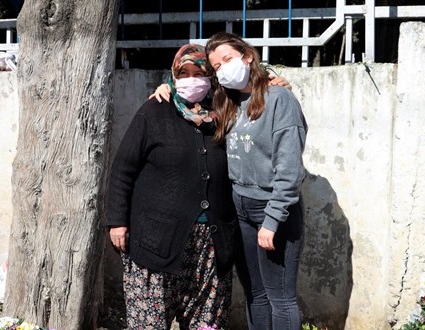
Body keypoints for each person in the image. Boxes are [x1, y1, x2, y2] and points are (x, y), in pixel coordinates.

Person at [106, 44, 236, 329]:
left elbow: (257, 88)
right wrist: (117, 221)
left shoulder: (225, 112)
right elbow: (123, 169)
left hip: (212, 246)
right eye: (184, 73)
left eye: (198, 72)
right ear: (173, 76)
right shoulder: (155, 110)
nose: (191, 79)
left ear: (211, 76)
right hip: (156, 241)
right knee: (149, 324)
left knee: (207, 324)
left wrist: (274, 79)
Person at [206, 31, 307, 330]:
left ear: (247, 56)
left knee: (280, 297)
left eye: (228, 59)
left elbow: (289, 169)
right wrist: (166, 87)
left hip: (273, 210)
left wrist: (273, 219)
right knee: (256, 294)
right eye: (216, 67)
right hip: (242, 210)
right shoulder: (229, 103)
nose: (223, 69)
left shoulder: (280, 99)